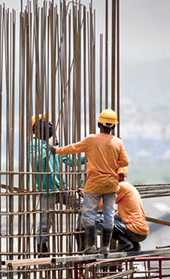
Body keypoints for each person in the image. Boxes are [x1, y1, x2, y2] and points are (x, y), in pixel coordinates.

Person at [54, 109, 129, 254]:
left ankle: (90, 246)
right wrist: (113, 166)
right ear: (113, 127)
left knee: (89, 214)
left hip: (94, 184)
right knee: (109, 214)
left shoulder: (91, 140)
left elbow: (73, 148)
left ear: (99, 124)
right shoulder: (118, 142)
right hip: (111, 184)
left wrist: (57, 151)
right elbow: (125, 161)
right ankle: (105, 246)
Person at [28, 115, 83, 256]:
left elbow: (68, 159)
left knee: (83, 207)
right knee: (45, 224)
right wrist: (49, 147)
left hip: (62, 189)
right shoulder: (34, 145)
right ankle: (42, 253)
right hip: (47, 191)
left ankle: (81, 239)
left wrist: (87, 156)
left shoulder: (54, 144)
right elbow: (37, 161)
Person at [113, 167, 148, 252]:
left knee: (102, 222)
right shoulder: (129, 187)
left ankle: (125, 243)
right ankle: (134, 246)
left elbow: (104, 204)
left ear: (120, 176)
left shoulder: (121, 186)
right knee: (113, 217)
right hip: (141, 231)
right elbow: (119, 215)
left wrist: (88, 197)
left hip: (135, 230)